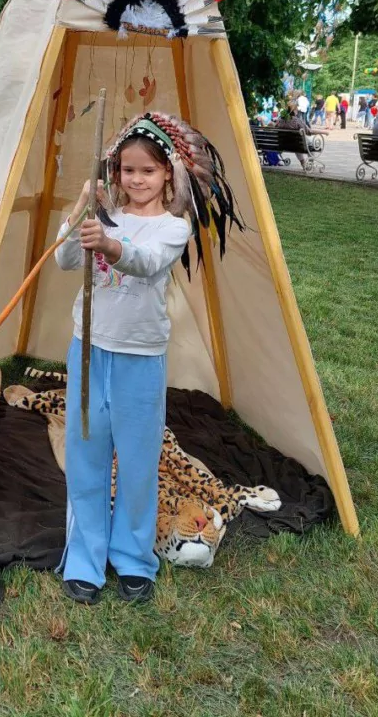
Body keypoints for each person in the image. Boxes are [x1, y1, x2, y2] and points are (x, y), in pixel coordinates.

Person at [54, 112, 241, 605]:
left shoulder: (171, 228)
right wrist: (79, 214)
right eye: (126, 171)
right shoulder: (98, 218)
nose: (135, 180)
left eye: (147, 171)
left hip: (140, 358)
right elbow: (64, 259)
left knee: (138, 462)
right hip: (90, 351)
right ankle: (85, 558)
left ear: (168, 175)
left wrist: (111, 245)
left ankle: (134, 558)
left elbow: (145, 262)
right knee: (88, 457)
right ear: (114, 174)